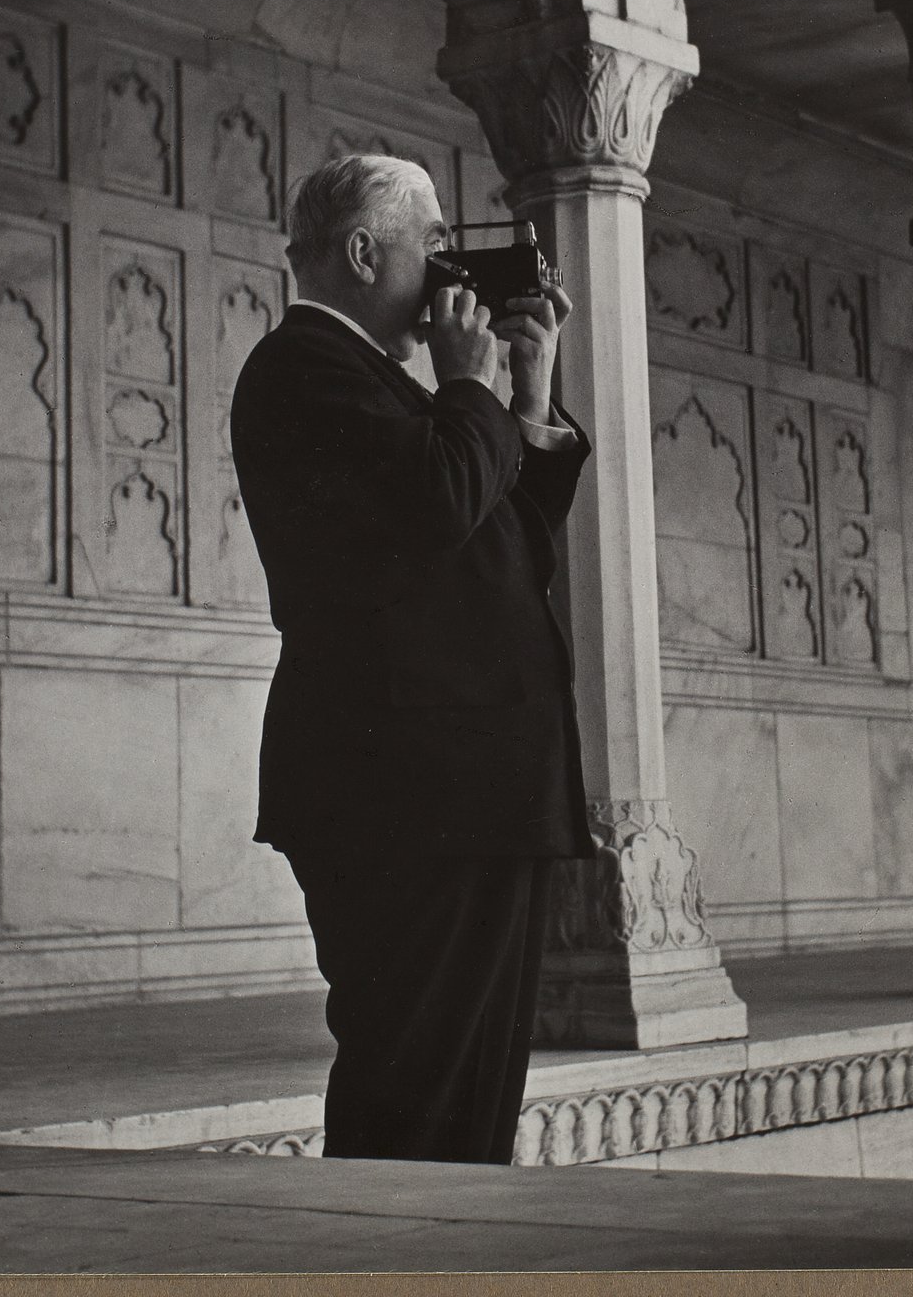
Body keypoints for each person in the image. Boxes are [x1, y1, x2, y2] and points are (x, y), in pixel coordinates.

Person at [230, 153, 594, 1165]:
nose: (448, 270)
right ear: (361, 253)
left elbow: (507, 539)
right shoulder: (303, 370)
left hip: (464, 790)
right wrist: (466, 386)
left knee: (471, 1088)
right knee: (416, 1081)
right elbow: (439, 505)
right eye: (431, 245)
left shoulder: (391, 389)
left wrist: (525, 394)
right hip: (404, 793)